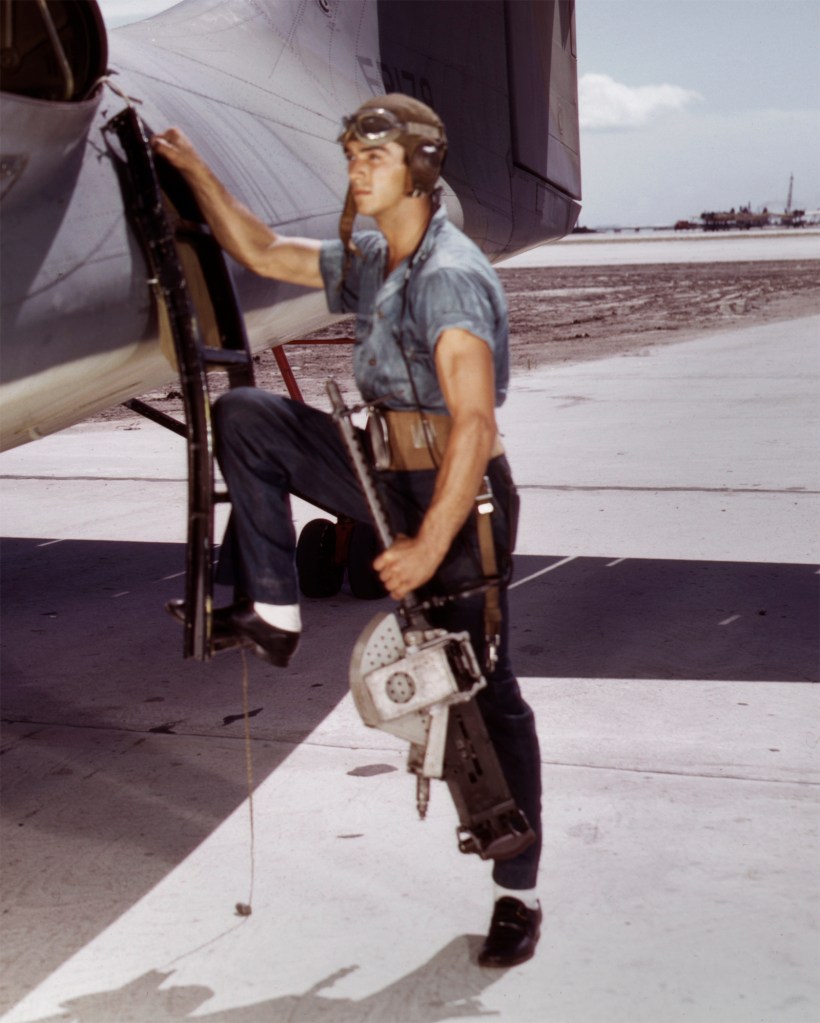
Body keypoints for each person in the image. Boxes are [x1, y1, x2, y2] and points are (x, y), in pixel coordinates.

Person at [152, 94, 542, 968]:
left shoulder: (449, 274)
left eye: (374, 159)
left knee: (480, 690)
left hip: (457, 494)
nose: (356, 173)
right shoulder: (376, 260)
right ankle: (276, 613)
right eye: (352, 159)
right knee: (248, 414)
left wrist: (427, 543)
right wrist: (192, 171)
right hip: (380, 471)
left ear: (422, 169)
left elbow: (473, 427)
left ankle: (518, 888)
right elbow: (258, 250)